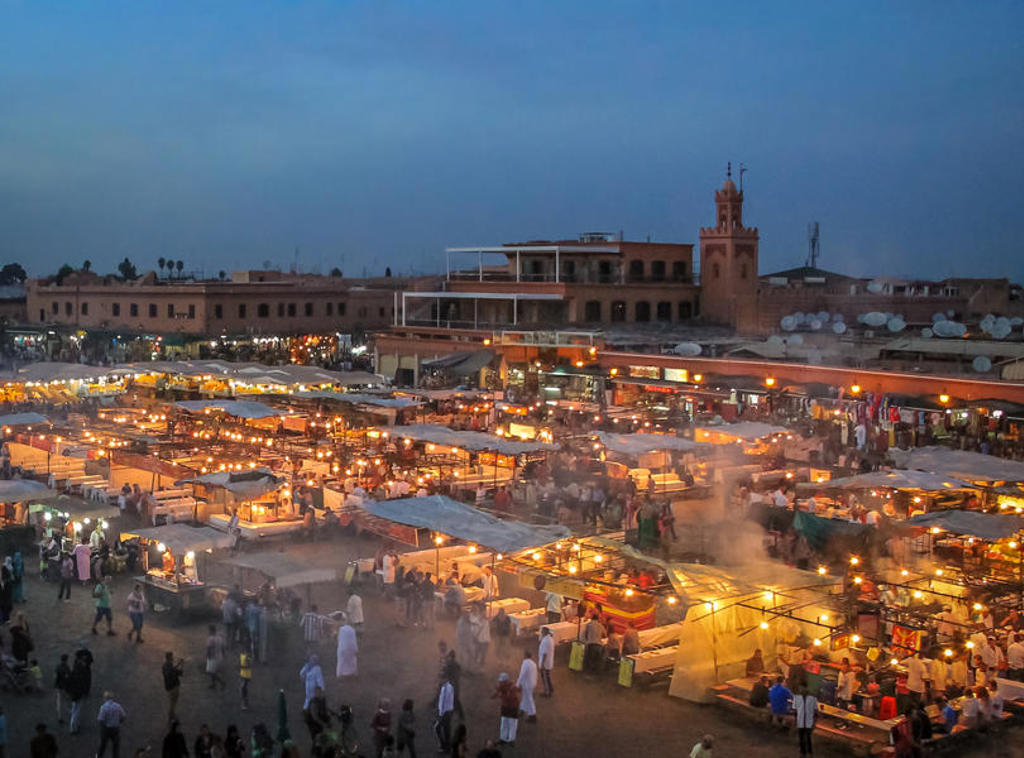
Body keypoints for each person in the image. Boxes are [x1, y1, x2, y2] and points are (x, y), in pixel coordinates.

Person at [96, 691, 127, 758]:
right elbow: (123, 716)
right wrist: (119, 722)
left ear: (105, 698)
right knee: (115, 746)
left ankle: (99, 756)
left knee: (103, 745)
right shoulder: (118, 706)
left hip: (106, 729)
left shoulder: (103, 707)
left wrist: (102, 728)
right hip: (115, 729)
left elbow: (101, 719)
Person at [494, 672, 521, 746]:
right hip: (505, 707)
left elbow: (509, 697)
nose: (500, 683)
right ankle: (503, 738)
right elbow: (498, 690)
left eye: (501, 682)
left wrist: (500, 695)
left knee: (512, 723)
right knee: (504, 722)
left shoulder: (512, 687)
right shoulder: (503, 685)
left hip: (513, 707)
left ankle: (511, 740)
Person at [792, 684, 818, 758]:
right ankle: (803, 752)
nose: (802, 690)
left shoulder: (812, 699)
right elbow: (795, 711)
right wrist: (795, 721)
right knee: (801, 737)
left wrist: (814, 722)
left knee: (808, 737)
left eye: (804, 689)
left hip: (809, 722)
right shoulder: (796, 698)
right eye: (801, 689)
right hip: (800, 721)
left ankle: (809, 752)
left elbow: (816, 712)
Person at [162, 652, 185, 726]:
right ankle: (171, 718)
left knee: (172, 704)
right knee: (173, 705)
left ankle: (172, 718)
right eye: (172, 657)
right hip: (174, 688)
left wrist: (178, 663)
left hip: (168, 688)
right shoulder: (171, 667)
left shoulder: (164, 665)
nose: (173, 658)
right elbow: (180, 673)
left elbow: (173, 670)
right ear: (170, 658)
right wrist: (182, 664)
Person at [516, 649, 538, 722]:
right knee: (525, 697)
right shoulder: (533, 663)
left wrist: (517, 684)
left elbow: (522, 674)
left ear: (525, 655)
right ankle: (522, 710)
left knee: (529, 698)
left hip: (527, 684)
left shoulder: (525, 663)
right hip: (532, 683)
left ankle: (533, 715)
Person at [436, 675, 455, 752]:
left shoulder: (444, 688)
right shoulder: (450, 686)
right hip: (449, 711)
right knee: (447, 730)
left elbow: (443, 702)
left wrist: (440, 714)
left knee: (437, 728)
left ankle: (443, 746)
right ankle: (447, 746)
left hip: (444, 713)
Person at [205, 624, 226, 690]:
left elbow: (208, 648)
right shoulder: (219, 638)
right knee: (214, 671)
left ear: (211, 630)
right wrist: (224, 655)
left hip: (213, 657)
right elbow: (223, 648)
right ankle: (213, 684)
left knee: (210, 671)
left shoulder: (210, 639)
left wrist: (207, 656)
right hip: (219, 656)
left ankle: (222, 682)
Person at [55, 652, 72, 723]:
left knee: (59, 701)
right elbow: (69, 677)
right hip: (64, 687)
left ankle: (59, 716)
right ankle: (70, 713)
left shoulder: (57, 666)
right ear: (66, 660)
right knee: (66, 701)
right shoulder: (66, 667)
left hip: (58, 686)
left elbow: (55, 677)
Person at [538, 627, 555, 697]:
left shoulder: (545, 641)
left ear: (544, 632)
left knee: (545, 677)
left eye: (542, 632)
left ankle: (547, 692)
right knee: (547, 676)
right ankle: (550, 689)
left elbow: (544, 653)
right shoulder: (550, 639)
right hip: (549, 661)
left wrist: (542, 664)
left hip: (545, 663)